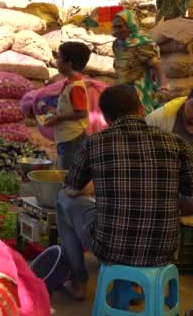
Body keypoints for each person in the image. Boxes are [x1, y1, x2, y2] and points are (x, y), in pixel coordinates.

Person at [56, 85, 193, 300]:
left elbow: (72, 188)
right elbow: (189, 191)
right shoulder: (176, 144)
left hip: (111, 248)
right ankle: (133, 286)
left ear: (105, 117)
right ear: (140, 110)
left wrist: (100, 187)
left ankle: (78, 282)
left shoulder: (94, 143)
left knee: (63, 200)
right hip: (164, 251)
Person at [44, 42, 91, 169]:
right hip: (66, 136)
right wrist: (54, 111)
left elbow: (82, 112)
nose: (56, 61)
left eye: (59, 57)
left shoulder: (76, 87)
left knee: (66, 171)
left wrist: (59, 118)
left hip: (72, 137)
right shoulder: (69, 83)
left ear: (68, 63)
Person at [112, 9, 167, 115]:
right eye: (114, 26)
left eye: (120, 27)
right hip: (121, 90)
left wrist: (163, 88)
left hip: (139, 92)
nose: (116, 30)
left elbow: (158, 68)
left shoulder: (142, 44)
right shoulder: (117, 44)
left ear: (131, 26)